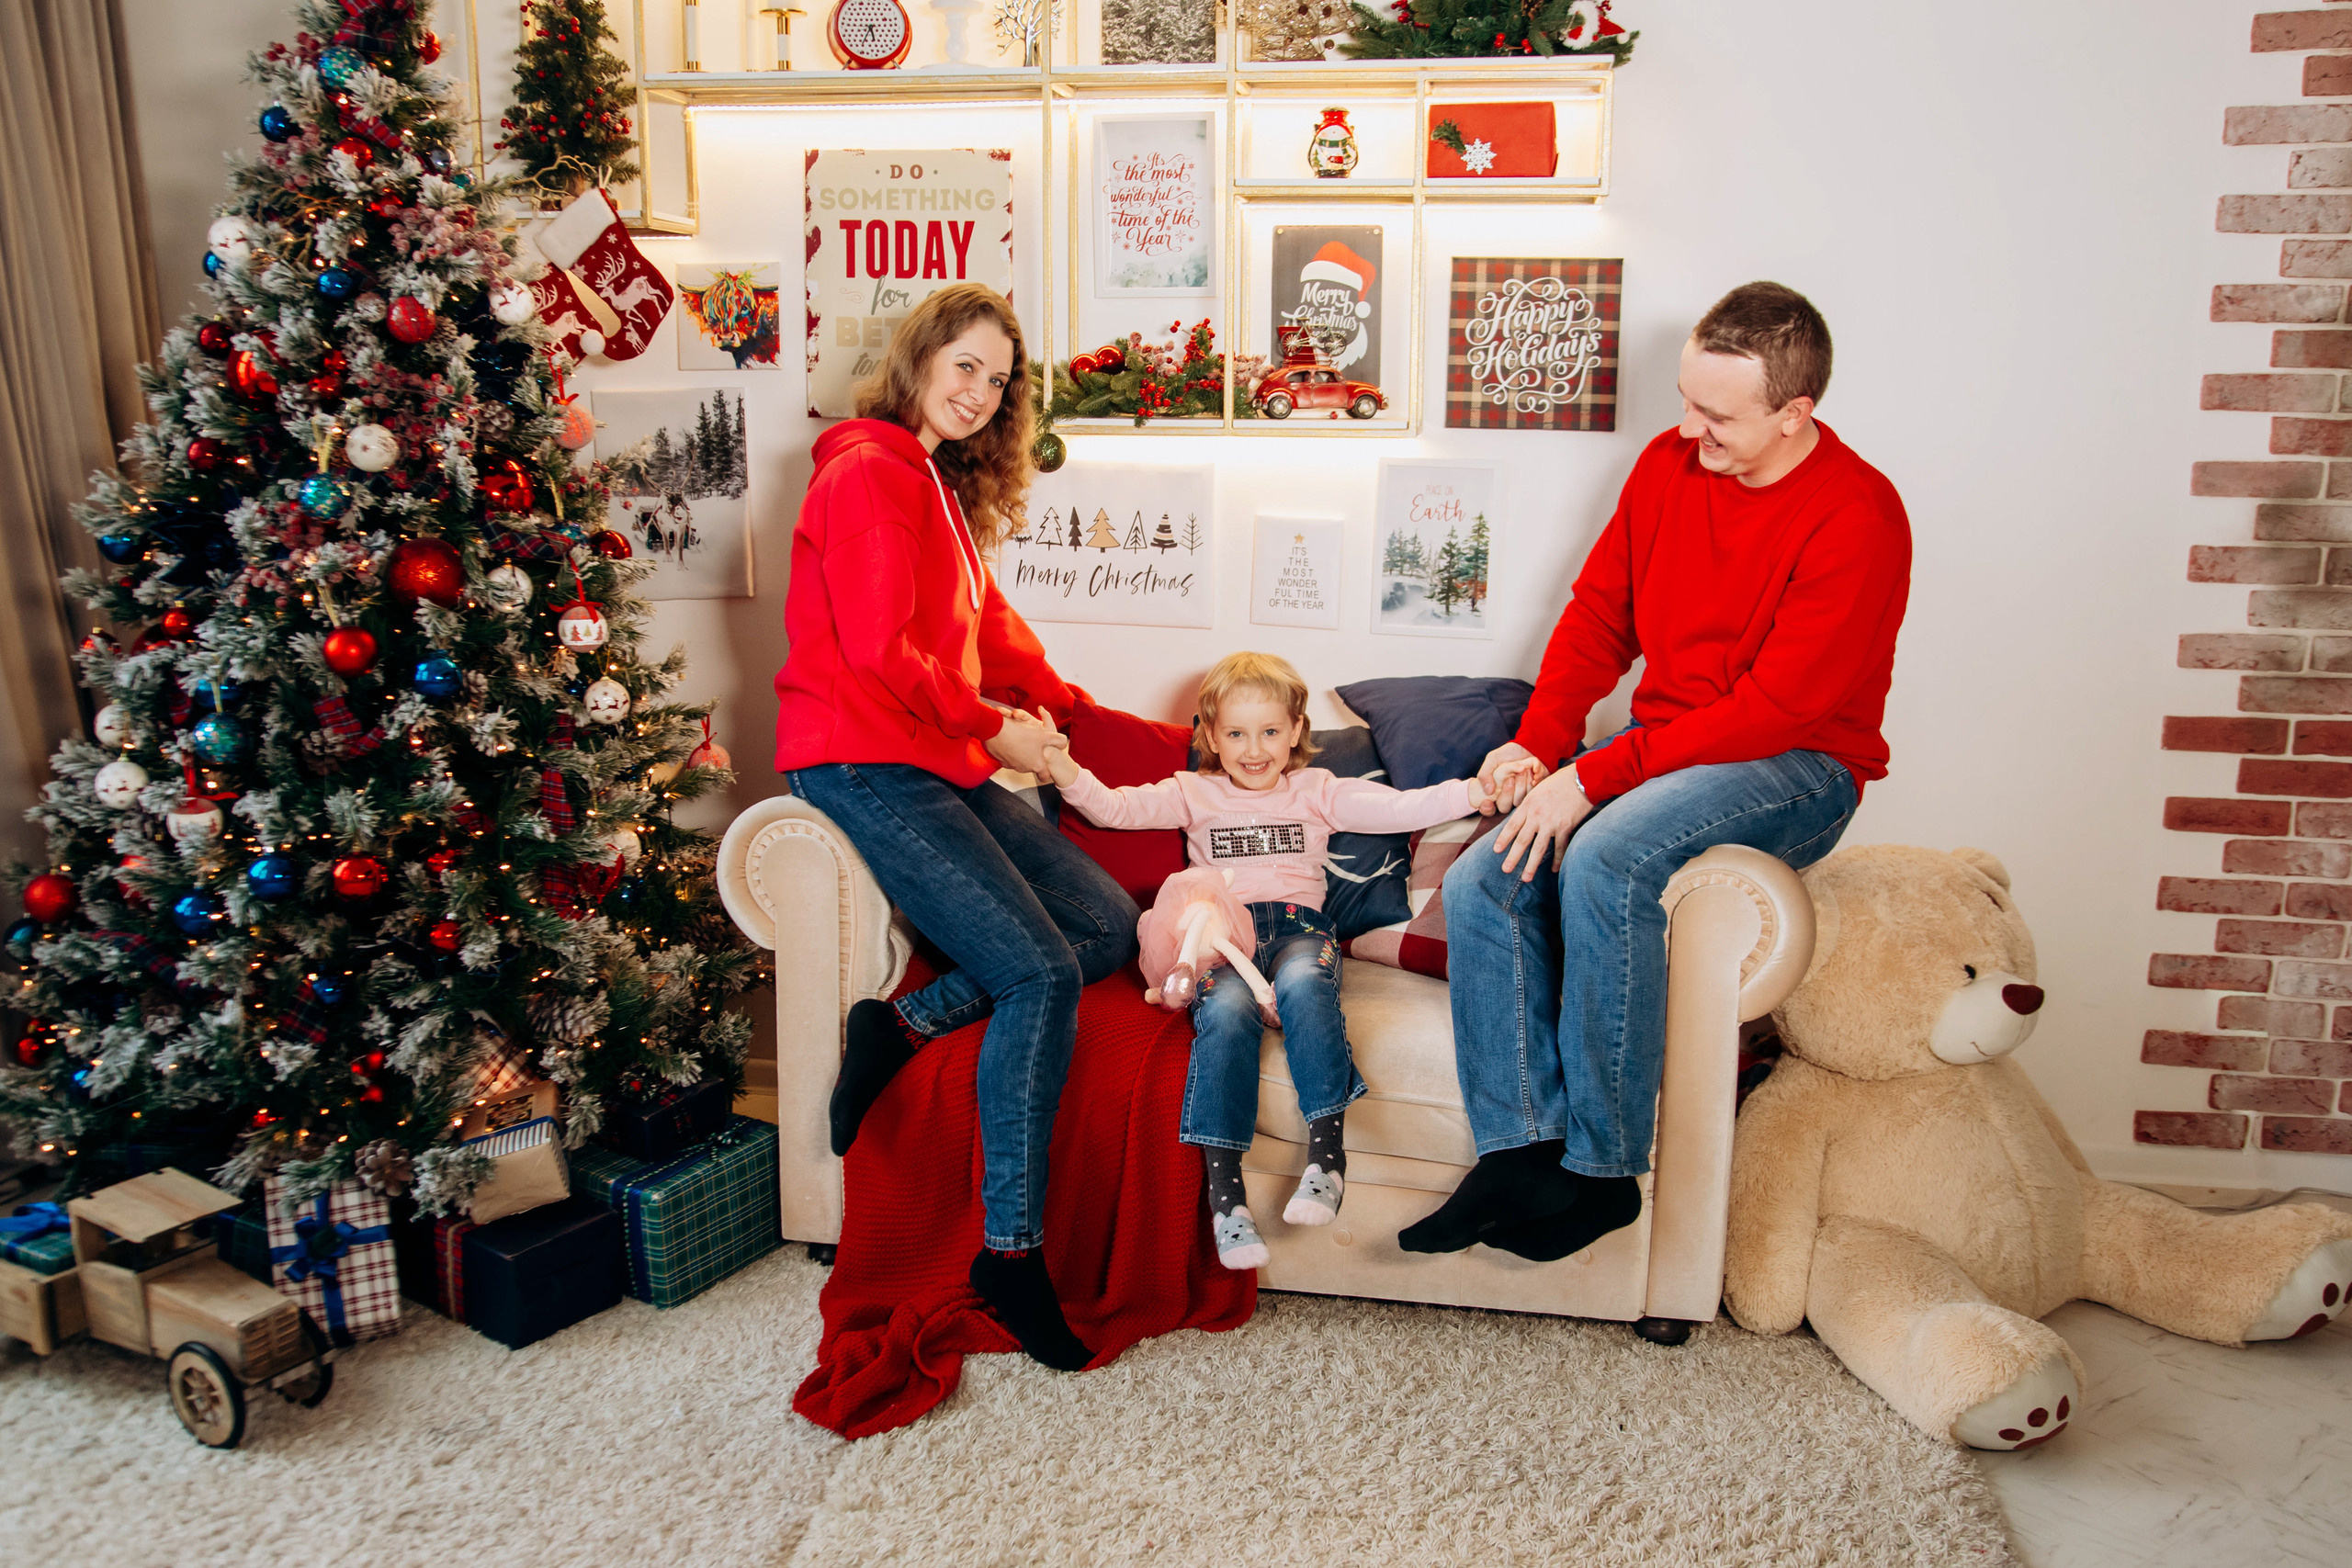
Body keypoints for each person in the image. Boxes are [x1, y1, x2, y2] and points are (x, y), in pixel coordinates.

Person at [1400, 281, 1912, 1264]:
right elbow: (1601, 614)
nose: (1688, 428)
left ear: (1795, 414)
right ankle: (1521, 1151)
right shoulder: (1666, 468)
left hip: (1799, 763)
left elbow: (1775, 708)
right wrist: (1540, 745)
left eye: (1716, 415)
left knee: (1608, 859)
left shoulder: (1858, 515)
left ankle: (1600, 1172)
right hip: (1673, 743)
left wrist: (1592, 781)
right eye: (1685, 400)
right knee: (1481, 881)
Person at [773, 282, 1137, 1371]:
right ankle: (1010, 1257)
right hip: (858, 757)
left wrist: (1065, 710)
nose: (979, 392)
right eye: (965, 366)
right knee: (1040, 974)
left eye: (999, 378)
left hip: (930, 754)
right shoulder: (869, 474)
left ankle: (905, 1024)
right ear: (922, 357)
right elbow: (888, 655)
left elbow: (986, 624)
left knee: (1107, 922)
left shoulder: (929, 483)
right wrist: (1002, 733)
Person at [1041, 653, 1495, 1270]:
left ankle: (1325, 1158)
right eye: (1236, 733)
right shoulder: (1192, 791)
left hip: (1301, 928)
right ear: (1209, 734)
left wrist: (1479, 791)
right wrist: (1062, 767)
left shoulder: (1318, 790)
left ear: (1297, 730)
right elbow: (1114, 808)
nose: (1254, 749)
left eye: (1270, 732)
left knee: (1308, 982)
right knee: (1224, 1012)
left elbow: (1404, 807)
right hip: (1227, 935)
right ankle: (1227, 1200)